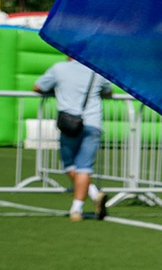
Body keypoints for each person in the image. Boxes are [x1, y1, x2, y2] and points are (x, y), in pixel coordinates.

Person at [33, 55, 111, 220]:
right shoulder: (97, 72)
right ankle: (82, 204)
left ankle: (84, 203)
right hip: (93, 123)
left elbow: (38, 87)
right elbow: (108, 91)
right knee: (85, 167)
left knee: (69, 164)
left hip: (70, 123)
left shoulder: (59, 68)